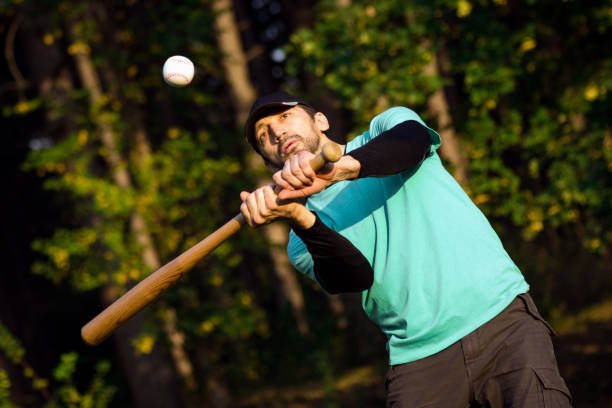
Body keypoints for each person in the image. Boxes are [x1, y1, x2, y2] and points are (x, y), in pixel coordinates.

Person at [239, 91, 572, 407]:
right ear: (269, 163)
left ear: (321, 121)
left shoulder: (385, 128)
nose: (277, 132)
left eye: (285, 116)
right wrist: (300, 216)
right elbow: (354, 277)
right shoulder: (301, 238)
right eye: (264, 135)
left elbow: (411, 143)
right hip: (417, 360)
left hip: (501, 320)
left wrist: (339, 170)